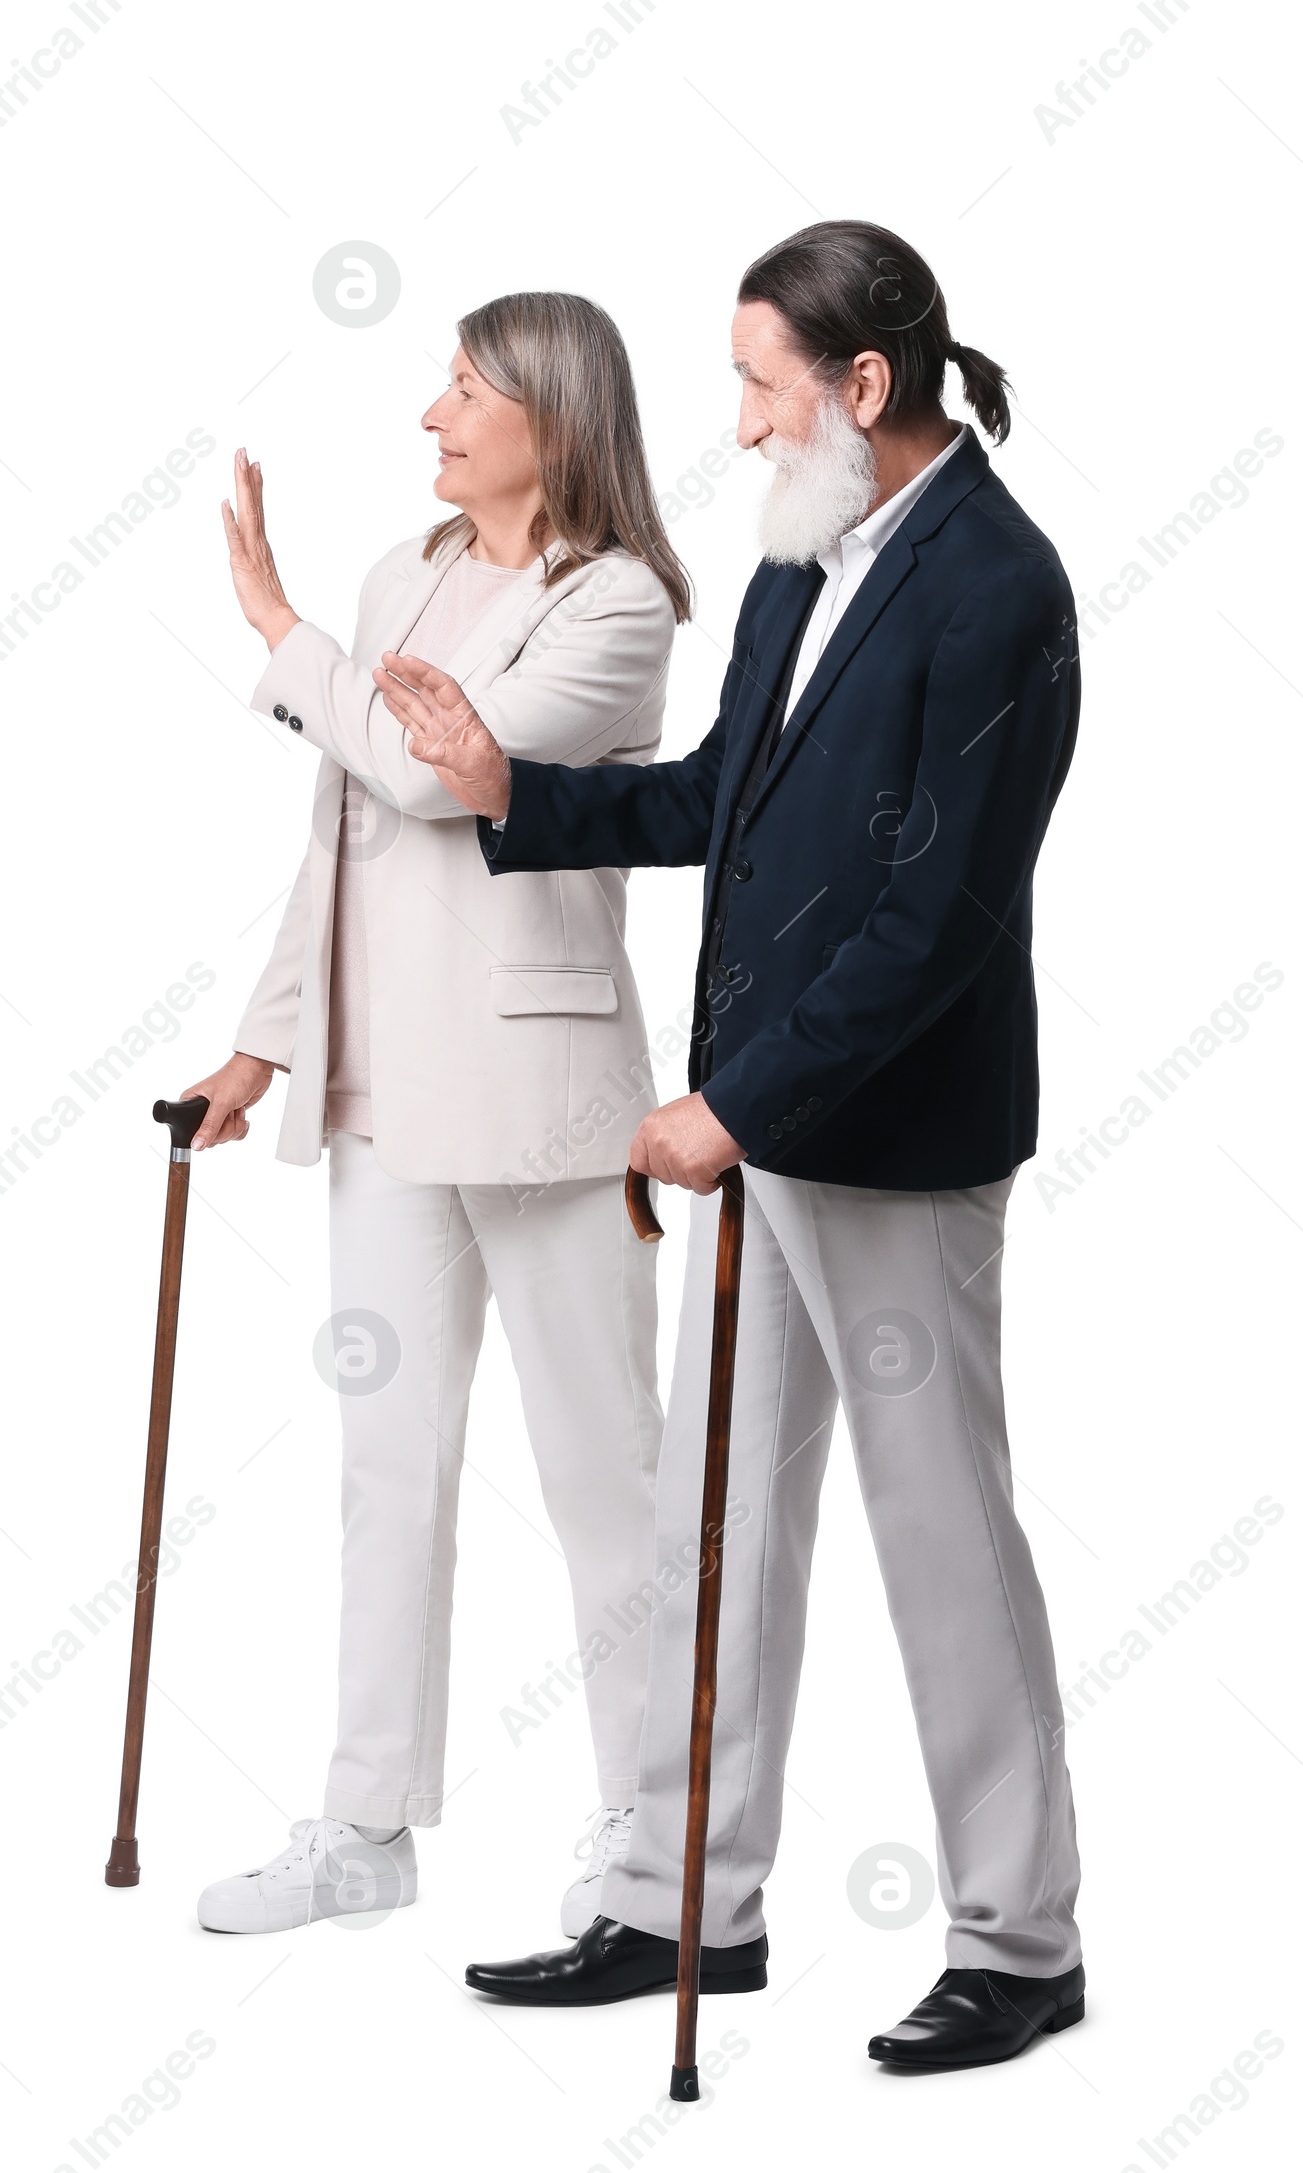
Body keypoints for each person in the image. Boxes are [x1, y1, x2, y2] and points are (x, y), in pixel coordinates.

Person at [382, 222, 1086, 2071]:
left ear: (866, 387)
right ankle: (688, 1901)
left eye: (767, 386)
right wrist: (509, 792)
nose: (746, 422)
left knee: (940, 1531)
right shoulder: (799, 556)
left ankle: (1020, 1939)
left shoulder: (999, 586)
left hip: (893, 1141)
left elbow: (938, 917)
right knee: (722, 1526)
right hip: (756, 1121)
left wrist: (736, 1102)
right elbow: (717, 801)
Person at [183, 292, 691, 1938]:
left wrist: (273, 626)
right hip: (382, 1098)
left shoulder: (617, 603)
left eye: (466, 388)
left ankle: (657, 1839)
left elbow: (439, 779)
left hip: (545, 1105)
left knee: (602, 1473)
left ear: (551, 409)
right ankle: (365, 1826)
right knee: (385, 1466)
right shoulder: (399, 577)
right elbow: (346, 826)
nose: (434, 416)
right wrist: (263, 1047)